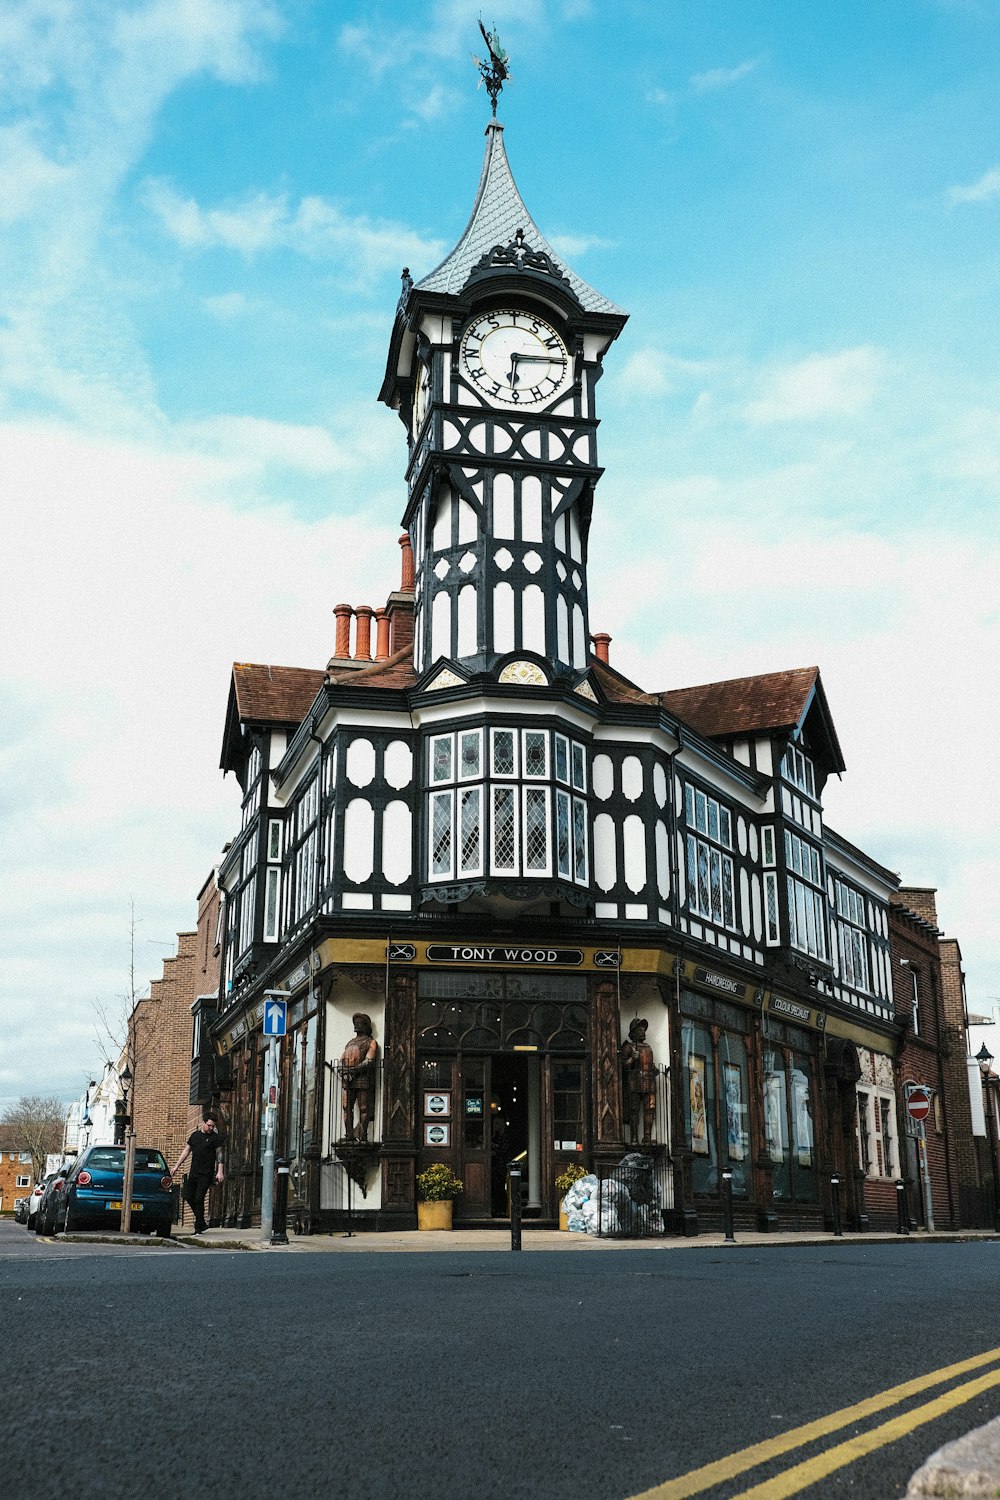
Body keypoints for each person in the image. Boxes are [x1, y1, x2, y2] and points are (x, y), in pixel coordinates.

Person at [170, 1114, 224, 1233]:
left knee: (199, 1198)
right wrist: (176, 1166)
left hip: (206, 1173)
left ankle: (198, 1227)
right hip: (194, 1172)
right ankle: (202, 1222)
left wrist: (220, 1172)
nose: (210, 1128)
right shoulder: (195, 1135)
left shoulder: (216, 1138)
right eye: (209, 1125)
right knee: (188, 1196)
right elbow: (186, 1150)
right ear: (203, 1123)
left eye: (213, 1126)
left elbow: (220, 1155)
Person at [341, 1013, 379, 1142]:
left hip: (363, 1078)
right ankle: (349, 1135)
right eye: (355, 1022)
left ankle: (362, 1135)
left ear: (366, 1025)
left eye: (360, 1022)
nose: (356, 1024)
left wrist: (353, 1071)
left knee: (364, 1107)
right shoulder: (350, 1043)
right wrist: (344, 1071)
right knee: (346, 1107)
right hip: (348, 1078)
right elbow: (342, 1059)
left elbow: (369, 1060)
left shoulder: (370, 1042)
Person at [621, 1017, 657, 1146]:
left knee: (650, 1108)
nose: (643, 1031)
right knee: (634, 1110)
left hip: (649, 1081)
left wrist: (654, 1069)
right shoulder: (629, 1047)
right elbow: (622, 1065)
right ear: (633, 1032)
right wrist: (632, 1059)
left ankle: (647, 1137)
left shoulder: (648, 1047)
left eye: (643, 1029)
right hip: (634, 1082)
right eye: (640, 1029)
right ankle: (634, 1137)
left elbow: (649, 1064)